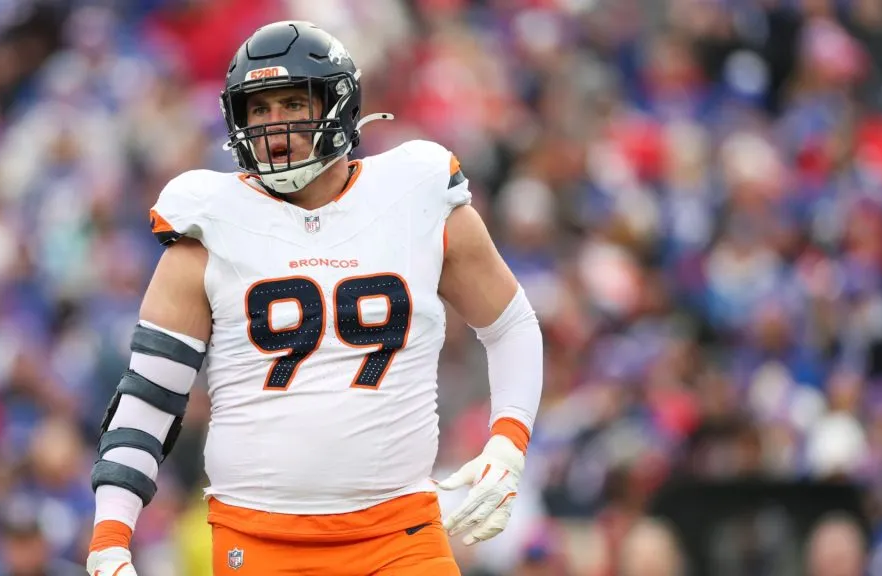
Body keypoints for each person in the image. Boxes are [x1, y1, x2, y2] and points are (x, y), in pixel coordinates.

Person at [84, 20, 543, 576]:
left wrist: (508, 442)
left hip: (400, 535)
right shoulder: (206, 224)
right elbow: (149, 399)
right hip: (259, 541)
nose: (273, 126)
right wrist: (110, 538)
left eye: (290, 104)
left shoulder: (416, 193)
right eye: (258, 109)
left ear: (338, 105)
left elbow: (510, 324)